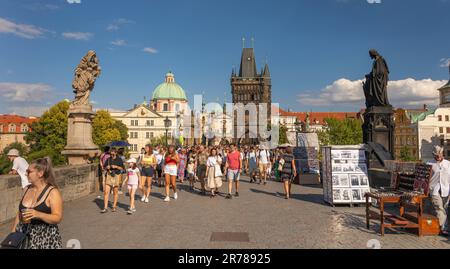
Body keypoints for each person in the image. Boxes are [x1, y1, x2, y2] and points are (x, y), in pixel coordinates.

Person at [11, 157, 63, 249]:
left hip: (45, 238)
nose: (25, 173)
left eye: (29, 171)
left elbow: (57, 217)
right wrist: (13, 233)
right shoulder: (26, 189)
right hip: (23, 236)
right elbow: (19, 213)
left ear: (40, 173)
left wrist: (38, 214)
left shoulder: (52, 192)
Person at [427, 145, 450, 236]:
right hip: (434, 189)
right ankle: (444, 228)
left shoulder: (448, 164)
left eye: (440, 154)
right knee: (439, 208)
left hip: (446, 189)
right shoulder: (429, 164)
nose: (439, 156)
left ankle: (445, 226)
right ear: (434, 155)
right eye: (437, 155)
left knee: (445, 208)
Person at [101, 149, 125, 213]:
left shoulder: (119, 159)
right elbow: (104, 167)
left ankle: (114, 206)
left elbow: (122, 168)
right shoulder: (108, 159)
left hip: (116, 176)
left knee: (115, 192)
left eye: (113, 154)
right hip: (109, 175)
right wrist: (107, 167)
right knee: (106, 192)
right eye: (111, 154)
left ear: (116, 153)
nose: (112, 155)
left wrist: (116, 166)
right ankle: (105, 208)